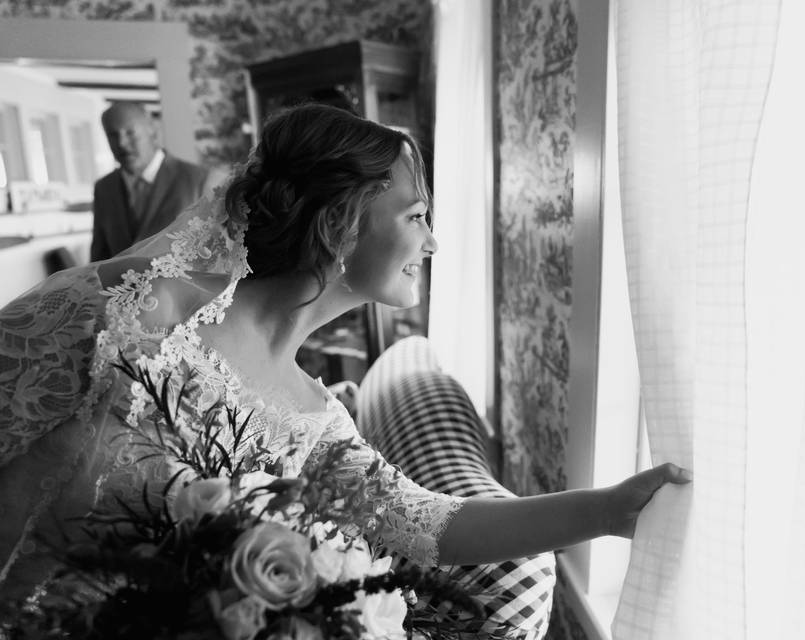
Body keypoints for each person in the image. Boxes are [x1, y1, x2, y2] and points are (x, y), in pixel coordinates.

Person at [0, 104, 690, 602]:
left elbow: (428, 523)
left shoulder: (313, 418)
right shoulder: (139, 308)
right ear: (342, 217)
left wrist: (607, 512)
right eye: (417, 216)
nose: (434, 242)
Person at [90, 101, 212, 261]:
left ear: (153, 131)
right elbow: (99, 258)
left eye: (130, 133)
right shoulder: (103, 188)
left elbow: (214, 254)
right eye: (113, 135)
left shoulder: (198, 180)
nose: (121, 143)